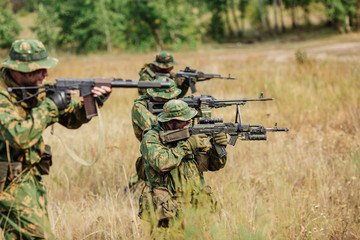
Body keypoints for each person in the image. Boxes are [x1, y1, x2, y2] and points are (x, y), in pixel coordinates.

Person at [0, 39, 111, 239]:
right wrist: (51, 106)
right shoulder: (2, 96)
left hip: (26, 174)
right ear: (21, 71)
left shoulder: (31, 89)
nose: (46, 74)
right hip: (6, 180)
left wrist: (92, 103)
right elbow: (18, 136)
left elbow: (70, 120)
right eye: (41, 69)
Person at [138, 99, 228, 228]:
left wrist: (218, 148)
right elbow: (161, 163)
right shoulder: (152, 138)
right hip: (167, 213)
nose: (189, 122)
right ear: (170, 122)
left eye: (189, 119)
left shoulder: (191, 134)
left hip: (197, 210)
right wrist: (187, 146)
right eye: (184, 120)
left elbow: (215, 165)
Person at [128, 76, 182, 192]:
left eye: (171, 99)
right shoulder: (140, 107)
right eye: (163, 100)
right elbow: (156, 128)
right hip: (154, 150)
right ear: (153, 95)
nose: (167, 103)